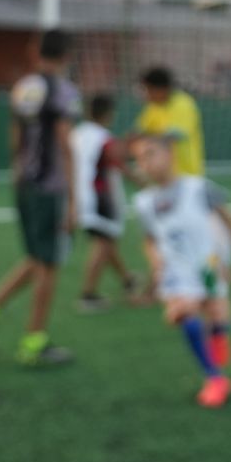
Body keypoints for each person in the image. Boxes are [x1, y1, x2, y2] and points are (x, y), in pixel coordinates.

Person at [0, 30, 81, 366]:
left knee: (36, 256)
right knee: (50, 264)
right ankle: (34, 342)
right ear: (68, 55)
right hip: (50, 188)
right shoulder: (63, 91)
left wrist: (17, 171)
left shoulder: (23, 87)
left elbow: (15, 135)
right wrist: (74, 199)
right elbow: (66, 145)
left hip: (25, 184)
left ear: (34, 51)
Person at [131, 134, 231, 407]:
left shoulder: (198, 187)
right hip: (176, 272)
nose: (145, 162)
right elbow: (149, 239)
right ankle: (214, 378)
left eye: (150, 154)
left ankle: (219, 331)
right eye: (140, 158)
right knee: (183, 316)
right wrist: (155, 263)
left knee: (215, 313)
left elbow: (226, 216)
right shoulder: (143, 202)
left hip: (208, 264)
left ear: (170, 155)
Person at [71, 94, 143, 311]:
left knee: (106, 241)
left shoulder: (76, 134)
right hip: (101, 196)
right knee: (103, 242)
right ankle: (88, 295)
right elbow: (117, 161)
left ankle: (127, 279)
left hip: (79, 195)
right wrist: (139, 180)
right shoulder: (104, 138)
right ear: (108, 114)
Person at [134, 66, 205, 176]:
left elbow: (173, 136)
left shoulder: (183, 104)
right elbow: (138, 132)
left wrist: (145, 140)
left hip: (186, 175)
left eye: (147, 89)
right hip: (161, 177)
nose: (145, 94)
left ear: (160, 89)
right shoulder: (153, 107)